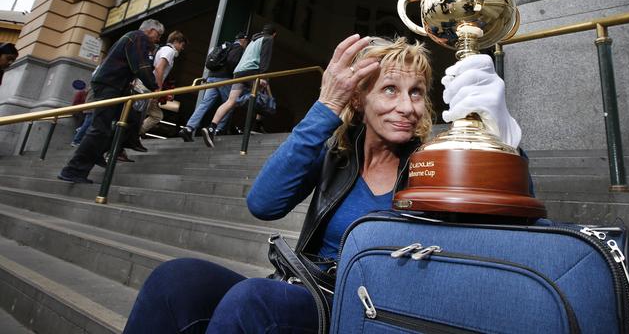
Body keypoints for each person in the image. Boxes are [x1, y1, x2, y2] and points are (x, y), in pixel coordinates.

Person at [123, 34, 523, 332]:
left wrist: (504, 144)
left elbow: (505, 230)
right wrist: (327, 106)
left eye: (416, 92)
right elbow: (263, 203)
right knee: (175, 280)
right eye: (389, 89)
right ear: (358, 100)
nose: (407, 107)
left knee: (255, 301)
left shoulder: (434, 162)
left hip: (374, 308)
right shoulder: (335, 153)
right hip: (307, 288)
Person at [57, 20, 163, 184]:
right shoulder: (139, 37)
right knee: (100, 128)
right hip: (111, 85)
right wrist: (154, 87)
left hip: (115, 86)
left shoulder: (131, 38)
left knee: (128, 119)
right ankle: (73, 170)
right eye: (158, 34)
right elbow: (141, 66)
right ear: (150, 30)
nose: (158, 39)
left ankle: (103, 150)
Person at [201, 23, 277, 147]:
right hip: (251, 72)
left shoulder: (253, 40)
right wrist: (262, 76)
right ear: (274, 34)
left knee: (231, 101)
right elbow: (265, 59)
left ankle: (211, 128)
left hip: (238, 72)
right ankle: (254, 126)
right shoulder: (268, 39)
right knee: (260, 96)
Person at [178, 31, 250, 142]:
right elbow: (232, 61)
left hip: (212, 78)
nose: (246, 44)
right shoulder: (238, 48)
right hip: (224, 79)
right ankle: (217, 130)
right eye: (247, 42)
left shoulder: (225, 47)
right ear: (243, 40)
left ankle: (188, 128)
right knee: (229, 104)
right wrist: (234, 76)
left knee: (204, 104)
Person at [139, 30, 187, 138]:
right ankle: (130, 136)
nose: (182, 48)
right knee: (141, 114)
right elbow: (159, 68)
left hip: (148, 86)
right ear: (176, 41)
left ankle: (135, 133)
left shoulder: (163, 49)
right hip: (150, 87)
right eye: (182, 45)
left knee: (156, 115)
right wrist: (158, 88)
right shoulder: (169, 51)